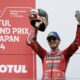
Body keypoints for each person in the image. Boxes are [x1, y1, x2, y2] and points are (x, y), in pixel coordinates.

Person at [26, 9, 80, 80]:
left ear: (59, 41)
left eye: (54, 39)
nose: (52, 41)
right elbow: (31, 41)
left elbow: (76, 43)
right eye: (49, 39)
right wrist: (36, 26)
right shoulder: (44, 54)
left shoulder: (64, 54)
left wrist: (79, 24)